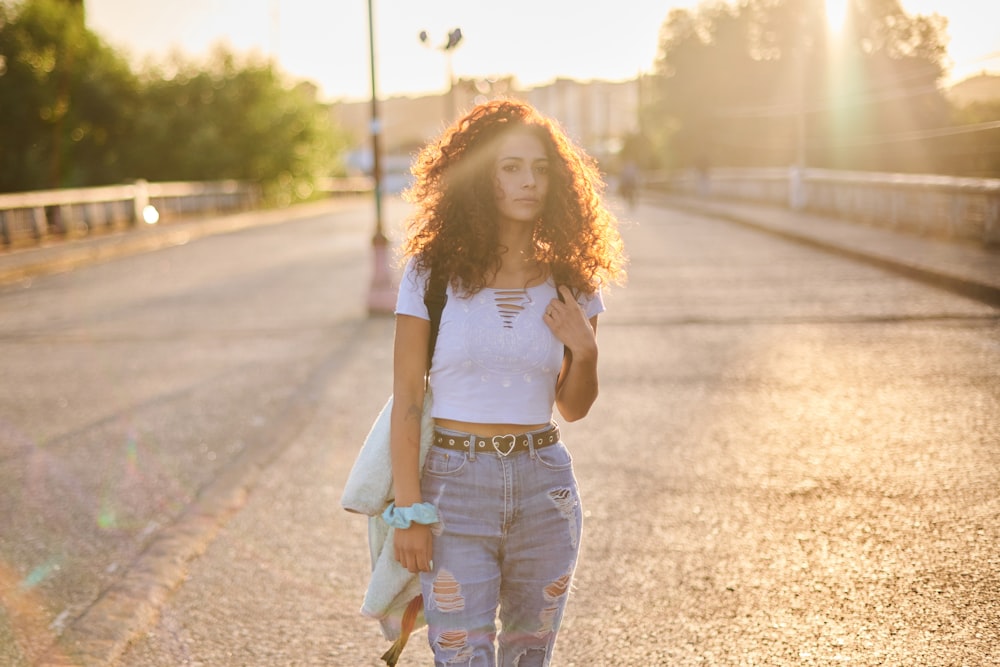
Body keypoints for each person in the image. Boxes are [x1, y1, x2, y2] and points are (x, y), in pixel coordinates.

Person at [387, 99, 626, 666]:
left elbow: (573, 407)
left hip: (544, 486)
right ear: (480, 176)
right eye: (511, 167)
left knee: (528, 657)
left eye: (541, 169)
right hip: (452, 486)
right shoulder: (430, 274)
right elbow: (407, 401)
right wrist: (410, 512)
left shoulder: (573, 281)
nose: (529, 183)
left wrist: (586, 353)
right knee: (462, 657)